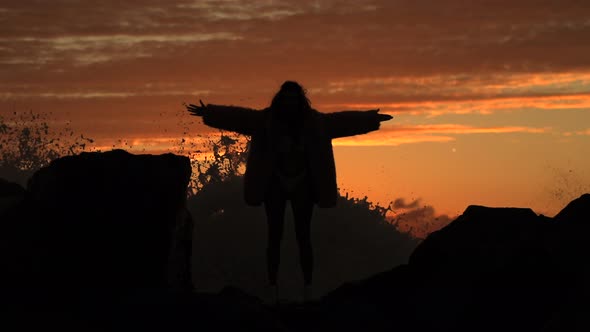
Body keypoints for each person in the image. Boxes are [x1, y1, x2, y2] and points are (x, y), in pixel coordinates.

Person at [186, 81, 392, 303]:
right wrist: (210, 112)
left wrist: (371, 119)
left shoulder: (316, 123)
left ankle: (308, 289)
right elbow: (239, 117)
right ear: (280, 100)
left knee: (303, 236)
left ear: (300, 100)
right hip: (275, 184)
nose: (290, 103)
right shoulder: (265, 121)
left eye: (294, 98)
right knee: (274, 235)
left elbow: (343, 121)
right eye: (286, 98)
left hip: (303, 184)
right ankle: (272, 288)